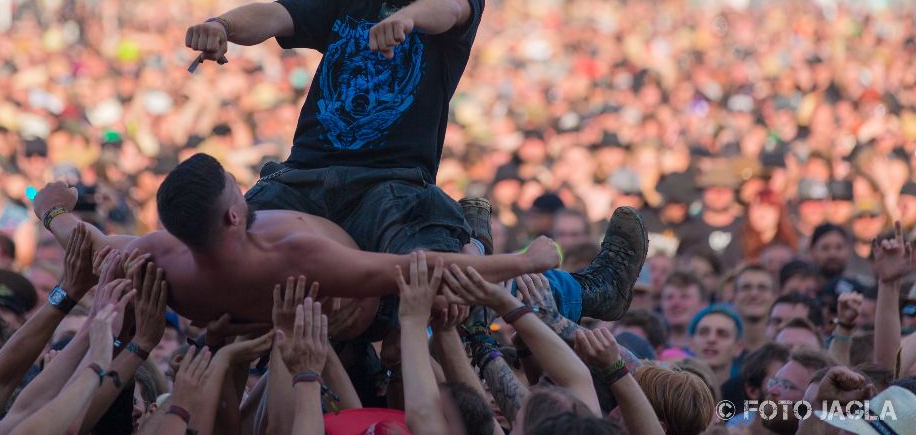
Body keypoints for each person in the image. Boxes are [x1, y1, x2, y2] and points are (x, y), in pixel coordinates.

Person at [184, 0, 492, 256]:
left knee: (426, 272)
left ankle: (474, 244)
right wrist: (222, 26)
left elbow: (451, 8)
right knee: (221, 250)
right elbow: (276, 14)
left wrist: (408, 19)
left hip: (392, 182)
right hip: (304, 177)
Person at [33, 154, 648, 336]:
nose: (244, 192)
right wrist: (527, 258)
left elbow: (89, 242)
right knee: (457, 289)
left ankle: (474, 232)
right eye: (236, 191)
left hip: (297, 299)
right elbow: (416, 267)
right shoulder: (292, 258)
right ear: (229, 216)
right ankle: (590, 290)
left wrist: (53, 209)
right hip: (359, 299)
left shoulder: (163, 254)